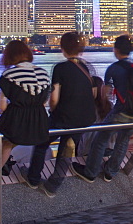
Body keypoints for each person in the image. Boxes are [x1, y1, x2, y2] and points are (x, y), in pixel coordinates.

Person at [73, 35, 133, 183]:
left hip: (122, 112)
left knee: (100, 138)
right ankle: (110, 172)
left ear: (115, 50)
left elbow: (106, 93)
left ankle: (90, 172)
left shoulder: (114, 68)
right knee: (123, 140)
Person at [27, 32, 98, 196]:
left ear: (62, 48)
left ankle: (33, 178)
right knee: (67, 148)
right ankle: (53, 185)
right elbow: (94, 94)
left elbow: (54, 98)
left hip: (63, 116)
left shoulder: (60, 68)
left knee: (41, 143)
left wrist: (52, 111)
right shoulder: (86, 67)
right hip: (84, 117)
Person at [0, 39, 51, 179]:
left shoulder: (9, 75)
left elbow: (2, 105)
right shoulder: (43, 74)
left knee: (2, 145)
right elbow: (45, 102)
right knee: (40, 145)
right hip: (40, 121)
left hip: (16, 119)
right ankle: (34, 175)